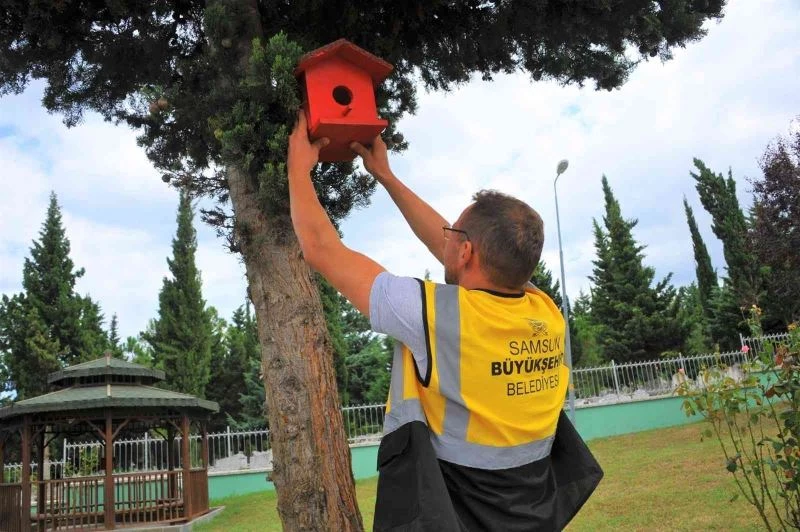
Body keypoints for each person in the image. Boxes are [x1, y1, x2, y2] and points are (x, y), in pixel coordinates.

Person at [287, 111, 601, 531]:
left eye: (454, 233)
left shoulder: (434, 316)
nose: (446, 237)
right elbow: (461, 253)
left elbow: (321, 249)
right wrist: (387, 177)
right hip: (535, 512)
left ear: (466, 251)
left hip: (465, 514)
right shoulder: (544, 311)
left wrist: (297, 168)